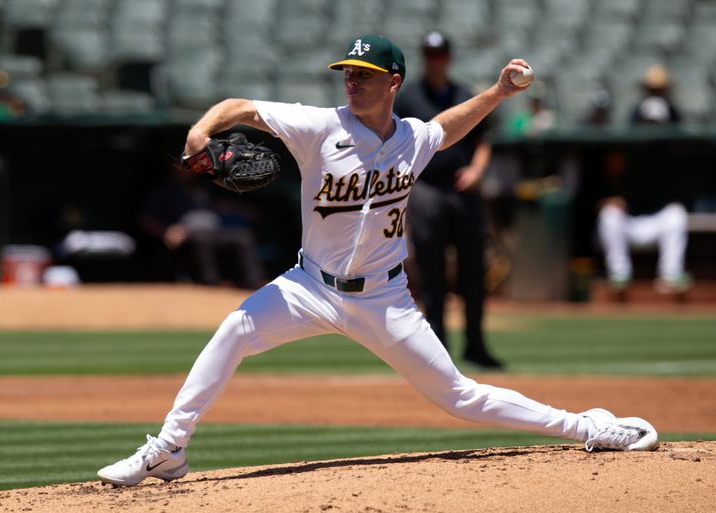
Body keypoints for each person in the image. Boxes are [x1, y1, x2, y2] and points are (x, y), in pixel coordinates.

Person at [97, 35, 659, 488]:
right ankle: (170, 449)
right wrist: (201, 131)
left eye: (363, 74)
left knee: (458, 396)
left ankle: (590, 426)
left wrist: (496, 92)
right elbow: (239, 108)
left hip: (385, 297)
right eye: (347, 71)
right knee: (235, 328)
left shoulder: (411, 137)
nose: (351, 80)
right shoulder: (319, 125)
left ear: (393, 83)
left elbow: (447, 127)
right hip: (309, 287)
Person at [393, 31, 503, 369]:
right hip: (427, 188)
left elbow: (483, 139)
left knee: (472, 271)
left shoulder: (463, 94)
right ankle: (438, 347)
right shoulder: (409, 97)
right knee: (431, 272)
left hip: (463, 190)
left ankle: (475, 344)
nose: (434, 59)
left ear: (449, 57)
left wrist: (477, 170)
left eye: (439, 54)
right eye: (429, 54)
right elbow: (396, 141)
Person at [138, 169, 265, 289]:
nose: (186, 171)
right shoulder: (164, 192)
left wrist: (243, 209)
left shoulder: (205, 188)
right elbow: (146, 219)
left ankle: (253, 284)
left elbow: (220, 206)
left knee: (242, 236)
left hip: (214, 229)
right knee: (203, 239)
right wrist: (166, 231)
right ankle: (210, 285)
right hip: (185, 233)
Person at [596, 151, 691, 295]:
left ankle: (670, 275)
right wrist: (609, 202)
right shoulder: (599, 179)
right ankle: (619, 275)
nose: (616, 165)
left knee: (676, 213)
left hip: (651, 223)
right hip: (623, 227)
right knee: (610, 215)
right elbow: (588, 205)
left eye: (619, 161)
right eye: (613, 161)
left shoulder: (650, 175)